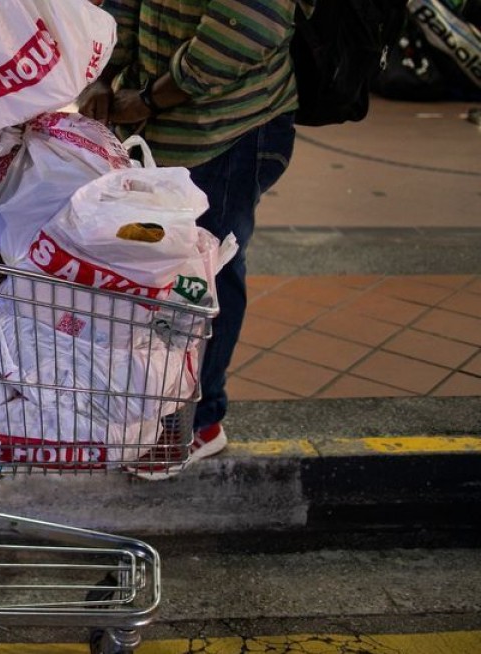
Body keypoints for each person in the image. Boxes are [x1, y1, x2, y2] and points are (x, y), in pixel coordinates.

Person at [78, 0, 300, 479]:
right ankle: (153, 406)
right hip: (158, 124)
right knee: (157, 269)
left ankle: (199, 421)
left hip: (228, 131)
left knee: (206, 273)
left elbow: (243, 29)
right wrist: (103, 75)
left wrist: (150, 99)